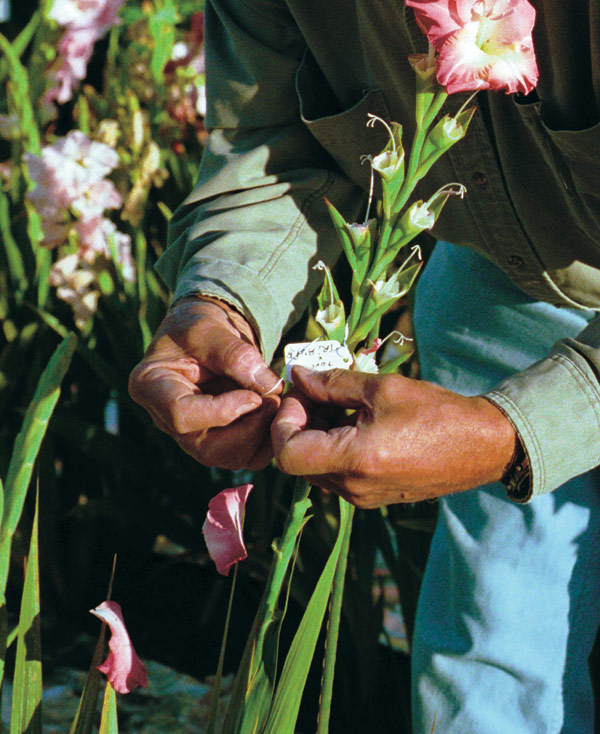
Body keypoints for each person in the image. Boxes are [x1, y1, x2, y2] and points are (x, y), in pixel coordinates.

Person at [129, 1, 600, 731]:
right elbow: (269, 141)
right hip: (496, 281)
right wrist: (223, 304)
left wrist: (508, 433)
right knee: (491, 647)